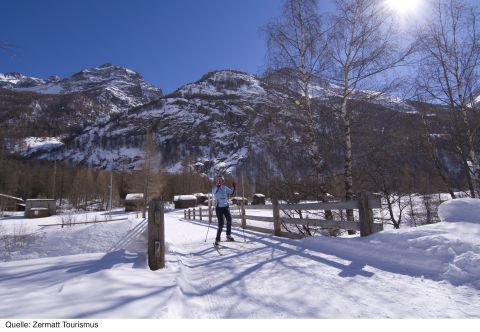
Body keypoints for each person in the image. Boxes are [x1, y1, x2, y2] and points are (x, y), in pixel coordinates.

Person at [212, 175, 236, 246]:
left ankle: (228, 235)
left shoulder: (225, 187)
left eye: (221, 180)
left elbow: (232, 193)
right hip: (219, 208)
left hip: (225, 207)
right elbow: (213, 192)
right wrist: (217, 187)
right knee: (221, 224)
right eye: (219, 180)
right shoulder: (214, 187)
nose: (220, 181)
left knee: (229, 219)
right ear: (217, 181)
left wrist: (234, 186)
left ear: (223, 181)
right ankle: (217, 239)